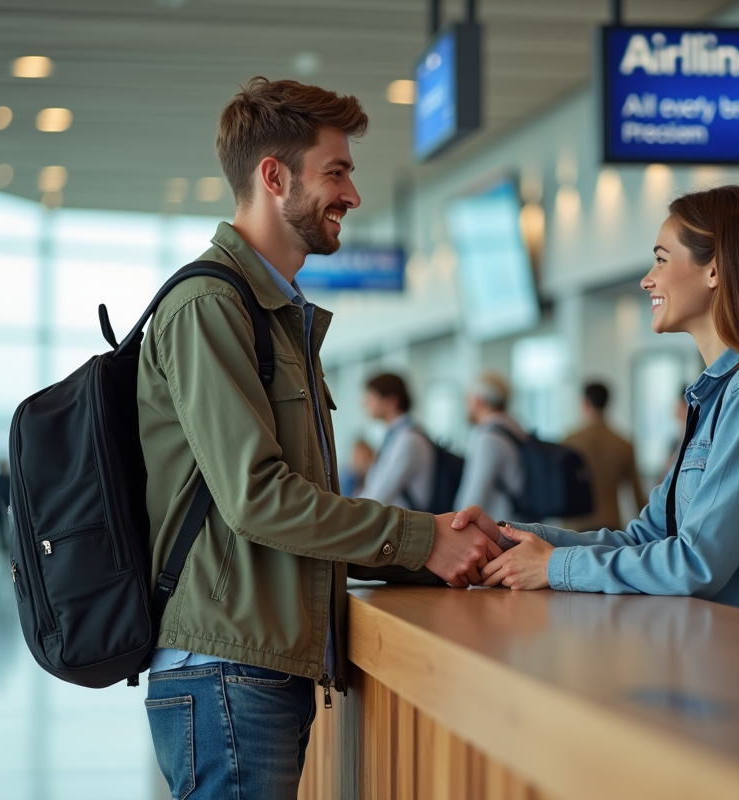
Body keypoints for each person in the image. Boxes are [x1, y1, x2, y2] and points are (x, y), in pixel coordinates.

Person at [137, 77, 498, 800]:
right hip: (227, 674)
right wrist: (424, 538)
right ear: (274, 177)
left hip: (251, 668)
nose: (352, 195)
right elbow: (258, 499)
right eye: (336, 172)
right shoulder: (211, 306)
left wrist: (433, 553)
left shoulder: (272, 312)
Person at [458, 185, 739, 618]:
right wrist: (510, 536)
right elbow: (645, 538)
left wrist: (553, 566)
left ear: (714, 270)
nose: (647, 278)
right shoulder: (718, 395)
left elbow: (696, 563)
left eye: (660, 258)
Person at [562, 383, 647, 532]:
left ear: (585, 403)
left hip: (575, 527)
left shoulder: (570, 441)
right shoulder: (623, 443)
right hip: (610, 526)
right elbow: (638, 497)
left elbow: (561, 488)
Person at [453, 372, 526, 521]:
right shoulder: (515, 429)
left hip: (500, 530)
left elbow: (473, 499)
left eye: (468, 400)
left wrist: (456, 523)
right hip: (519, 523)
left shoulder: (488, 439)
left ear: (479, 401)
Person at [357, 373, 436, 511]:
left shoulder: (409, 440)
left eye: (371, 397)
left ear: (391, 402)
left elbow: (379, 496)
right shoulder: (397, 436)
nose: (365, 403)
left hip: (408, 527)